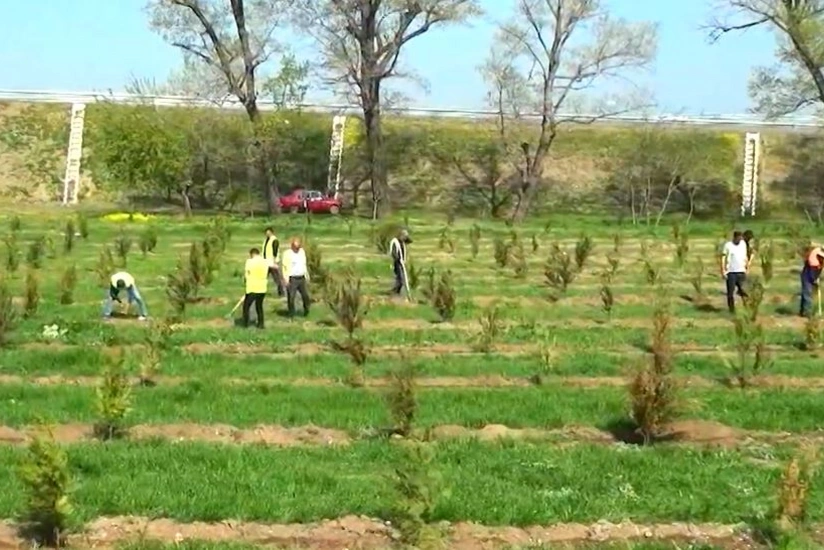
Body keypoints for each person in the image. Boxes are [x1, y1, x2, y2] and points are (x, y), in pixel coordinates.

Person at [719, 230, 750, 313]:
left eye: (741, 238)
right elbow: (723, 258)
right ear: (735, 237)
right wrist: (723, 270)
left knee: (744, 291)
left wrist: (747, 267)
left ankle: (747, 307)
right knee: (730, 293)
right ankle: (731, 310)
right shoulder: (728, 245)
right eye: (738, 238)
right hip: (731, 272)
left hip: (741, 271)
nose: (740, 240)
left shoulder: (743, 244)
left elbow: (745, 255)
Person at [281, 237, 310, 317]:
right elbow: (284, 266)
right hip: (292, 278)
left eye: (298, 247)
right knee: (291, 297)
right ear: (292, 246)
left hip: (301, 277)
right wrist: (285, 278)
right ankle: (291, 313)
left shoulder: (302, 252)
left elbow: (304, 264)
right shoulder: (287, 254)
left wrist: (306, 274)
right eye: (295, 247)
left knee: (305, 296)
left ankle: (306, 310)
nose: (297, 249)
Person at [242, 248, 268, 328]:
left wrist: (245, 282)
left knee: (246, 306)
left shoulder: (249, 262)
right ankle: (261, 324)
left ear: (252, 254)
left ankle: (245, 323)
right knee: (259, 306)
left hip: (252, 288)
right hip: (262, 288)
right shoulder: (264, 262)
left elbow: (247, 275)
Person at [799, 243, 824, 317]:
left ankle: (803, 312)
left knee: (806, 294)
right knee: (807, 294)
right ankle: (806, 313)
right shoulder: (814, 260)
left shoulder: (819, 261)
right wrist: (815, 280)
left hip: (811, 274)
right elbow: (812, 274)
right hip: (807, 276)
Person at [389, 229, 412, 296]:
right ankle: (395, 292)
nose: (405, 238)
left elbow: (410, 241)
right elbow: (393, 252)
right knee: (400, 278)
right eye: (404, 236)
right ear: (401, 235)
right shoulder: (395, 242)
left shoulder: (402, 242)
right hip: (397, 262)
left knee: (400, 278)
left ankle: (396, 292)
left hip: (401, 262)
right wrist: (398, 259)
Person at [262, 227, 284, 296]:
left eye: (268, 232)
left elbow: (275, 251)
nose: (267, 234)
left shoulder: (274, 240)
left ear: (271, 232)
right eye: (266, 232)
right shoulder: (266, 240)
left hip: (272, 262)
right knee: (263, 277)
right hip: (266, 262)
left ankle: (281, 292)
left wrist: (275, 261)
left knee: (277, 278)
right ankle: (261, 291)